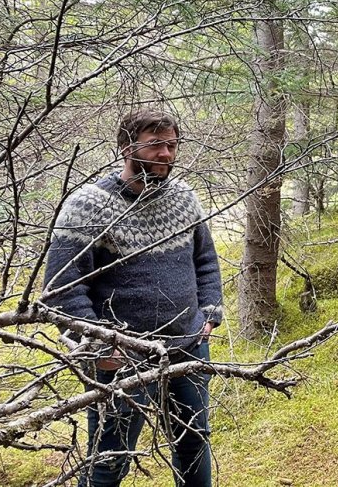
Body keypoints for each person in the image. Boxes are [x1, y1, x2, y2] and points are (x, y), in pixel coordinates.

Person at [43, 108, 223, 487]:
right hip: (120, 355)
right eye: (156, 144)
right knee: (110, 456)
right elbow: (62, 288)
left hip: (187, 345)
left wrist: (209, 313)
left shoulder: (184, 198)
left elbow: (205, 258)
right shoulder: (88, 206)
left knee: (193, 441)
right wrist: (98, 347)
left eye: (172, 145)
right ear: (126, 147)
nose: (167, 155)